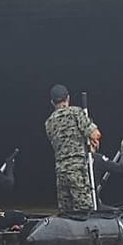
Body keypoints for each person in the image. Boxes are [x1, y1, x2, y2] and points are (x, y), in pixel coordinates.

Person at [45, 84, 102, 214]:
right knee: (83, 209)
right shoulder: (76, 112)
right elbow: (96, 134)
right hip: (77, 168)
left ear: (52, 102)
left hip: (60, 169)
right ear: (68, 98)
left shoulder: (49, 122)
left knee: (66, 211)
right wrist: (92, 140)